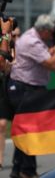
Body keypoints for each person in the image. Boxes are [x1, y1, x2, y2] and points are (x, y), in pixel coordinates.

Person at [6, 14, 55, 178]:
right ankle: (28, 171)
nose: (52, 34)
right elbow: (53, 64)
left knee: (24, 130)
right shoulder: (32, 41)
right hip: (25, 88)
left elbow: (44, 57)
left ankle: (17, 170)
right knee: (29, 130)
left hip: (26, 87)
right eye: (51, 31)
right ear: (45, 31)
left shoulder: (32, 38)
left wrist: (51, 50)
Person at [0, 17, 14, 171]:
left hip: (5, 84)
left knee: (2, 124)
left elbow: (8, 63)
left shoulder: (10, 35)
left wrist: (8, 35)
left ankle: (0, 159)